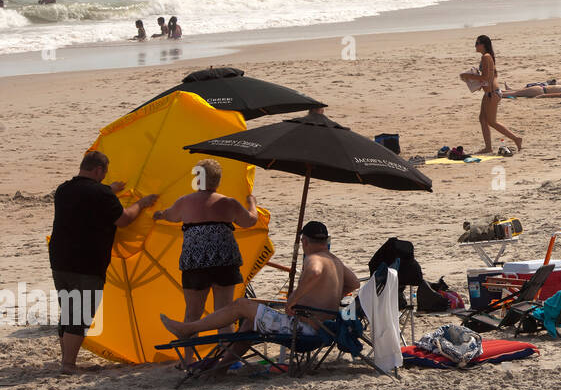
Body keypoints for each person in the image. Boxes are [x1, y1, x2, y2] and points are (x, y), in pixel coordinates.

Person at [160, 221, 359, 363]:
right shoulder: (335, 261)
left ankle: (188, 329)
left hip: (302, 330)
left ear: (304, 241)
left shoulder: (314, 258)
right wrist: (329, 296)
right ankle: (222, 366)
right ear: (326, 240)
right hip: (323, 328)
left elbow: (315, 272)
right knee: (250, 322)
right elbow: (354, 283)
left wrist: (292, 300)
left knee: (241, 305)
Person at [48, 151, 159, 374]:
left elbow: (87, 199)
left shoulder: (63, 189)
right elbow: (124, 219)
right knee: (80, 313)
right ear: (99, 170)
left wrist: (109, 190)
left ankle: (66, 359)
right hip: (87, 262)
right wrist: (142, 203)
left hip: (60, 259)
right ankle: (68, 364)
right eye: (103, 173)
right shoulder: (101, 193)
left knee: (68, 309)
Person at [151, 159, 258, 362]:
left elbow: (171, 216)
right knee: (224, 313)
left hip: (195, 262)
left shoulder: (185, 202)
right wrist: (252, 202)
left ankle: (188, 360)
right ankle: (227, 359)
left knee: (192, 313)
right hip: (224, 259)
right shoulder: (229, 203)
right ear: (218, 180)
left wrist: (158, 214)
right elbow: (250, 221)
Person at [459, 35, 523, 155]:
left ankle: (516, 139)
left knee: (492, 122)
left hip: (492, 94)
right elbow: (488, 78)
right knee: (482, 119)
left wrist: (468, 76)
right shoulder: (486, 57)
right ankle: (488, 147)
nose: (475, 45)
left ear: (483, 44)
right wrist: (478, 84)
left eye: (477, 43)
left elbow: (486, 77)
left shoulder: (486, 57)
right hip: (489, 93)